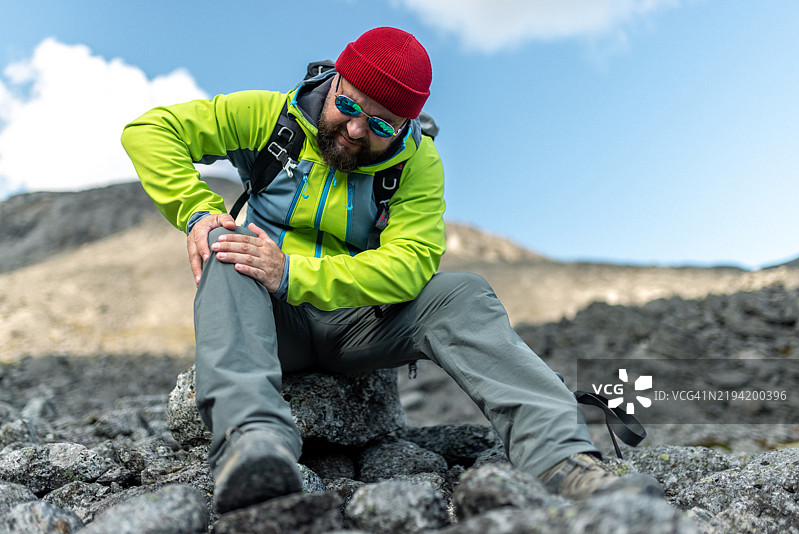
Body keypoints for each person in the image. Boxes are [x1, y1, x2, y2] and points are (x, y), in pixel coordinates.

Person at [121, 26, 662, 513]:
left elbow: (410, 264)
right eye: (348, 104)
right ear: (334, 79)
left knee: (464, 293)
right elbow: (149, 131)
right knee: (226, 246)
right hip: (267, 319)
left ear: (405, 123)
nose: (356, 129)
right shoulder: (270, 116)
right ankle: (252, 445)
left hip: (357, 326)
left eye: (380, 123)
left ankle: (564, 460)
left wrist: (291, 272)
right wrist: (195, 212)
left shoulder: (417, 163)